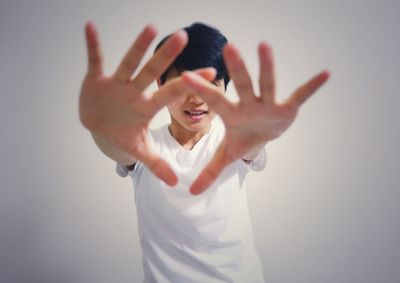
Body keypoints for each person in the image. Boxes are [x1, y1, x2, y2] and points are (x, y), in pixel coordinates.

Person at [79, 21, 329, 283]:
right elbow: (119, 148)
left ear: (224, 88)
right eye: (183, 86)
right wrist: (102, 129)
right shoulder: (145, 146)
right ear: (160, 83)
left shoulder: (234, 140)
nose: (196, 100)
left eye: (209, 86)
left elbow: (251, 148)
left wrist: (259, 137)